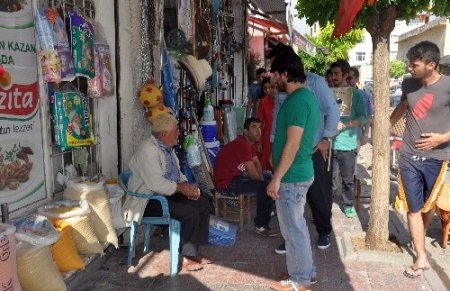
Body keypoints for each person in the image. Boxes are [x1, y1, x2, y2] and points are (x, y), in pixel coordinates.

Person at [267, 43, 340, 252]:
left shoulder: (314, 83)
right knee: (287, 197)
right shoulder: (285, 88)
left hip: (312, 148)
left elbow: (332, 111)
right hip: (287, 150)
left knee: (318, 194)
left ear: (287, 68)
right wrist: (273, 147)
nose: (274, 77)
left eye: (277, 71)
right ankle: (290, 236)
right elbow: (278, 118)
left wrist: (326, 139)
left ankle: (323, 231)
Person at [390, 41, 450, 279]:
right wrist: (385, 126)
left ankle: (419, 240)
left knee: (428, 205)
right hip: (408, 156)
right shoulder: (408, 84)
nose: (409, 68)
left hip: (437, 156)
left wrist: (442, 138)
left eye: (414, 64)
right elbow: (403, 107)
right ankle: (421, 258)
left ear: (431, 65)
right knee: (413, 208)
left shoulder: (447, 87)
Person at [122, 113, 211, 272]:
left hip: (166, 194)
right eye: (176, 130)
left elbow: (176, 174)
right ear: (164, 134)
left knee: (203, 202)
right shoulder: (148, 151)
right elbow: (157, 184)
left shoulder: (167, 148)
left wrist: (187, 187)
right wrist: (182, 189)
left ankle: (194, 249)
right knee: (189, 213)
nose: (179, 133)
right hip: (149, 200)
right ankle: (187, 257)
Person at [267, 51, 320, 291]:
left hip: (291, 177)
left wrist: (276, 178)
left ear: (285, 74)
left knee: (292, 230)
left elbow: (293, 143)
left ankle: (299, 280)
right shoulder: (303, 97)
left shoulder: (298, 100)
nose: (272, 78)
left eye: (275, 74)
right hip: (298, 173)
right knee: (297, 227)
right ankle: (307, 272)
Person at [213, 117, 276, 237]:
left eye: (260, 127)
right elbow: (253, 175)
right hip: (226, 184)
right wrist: (263, 182)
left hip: (236, 177)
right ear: (245, 131)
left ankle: (269, 207)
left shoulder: (248, 144)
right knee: (265, 186)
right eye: (254, 127)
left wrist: (262, 179)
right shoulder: (241, 145)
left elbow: (256, 163)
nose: (258, 131)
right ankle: (261, 225)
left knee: (267, 175)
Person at [330, 60, 367, 219]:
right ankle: (325, 204)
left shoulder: (357, 95)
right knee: (328, 178)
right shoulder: (328, 92)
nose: (333, 77)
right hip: (329, 143)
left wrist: (345, 125)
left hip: (347, 143)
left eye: (336, 74)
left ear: (345, 75)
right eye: (332, 74)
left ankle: (348, 205)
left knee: (347, 179)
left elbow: (364, 117)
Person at [348, 67, 373, 146]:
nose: (347, 80)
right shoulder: (339, 93)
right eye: (346, 78)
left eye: (350, 78)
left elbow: (368, 116)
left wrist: (365, 135)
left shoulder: (363, 95)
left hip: (356, 134)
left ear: (356, 79)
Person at [257, 77, 276, 171]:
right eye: (265, 88)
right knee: (266, 165)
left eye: (271, 87)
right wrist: (259, 142)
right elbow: (259, 123)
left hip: (280, 136)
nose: (268, 90)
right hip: (267, 137)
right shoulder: (263, 102)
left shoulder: (283, 101)